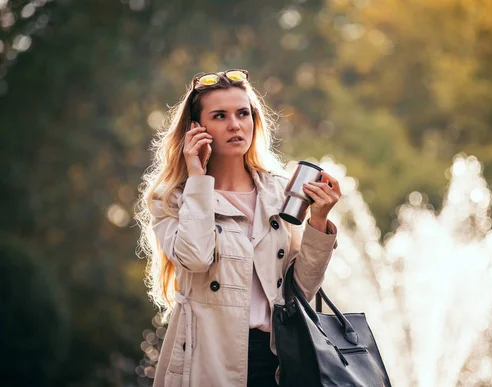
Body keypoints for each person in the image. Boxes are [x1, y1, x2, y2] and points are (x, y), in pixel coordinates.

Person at [136, 69, 342, 387]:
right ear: (196, 129)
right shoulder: (174, 199)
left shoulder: (280, 193)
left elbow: (301, 292)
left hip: (277, 361)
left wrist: (318, 221)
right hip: (207, 359)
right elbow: (196, 258)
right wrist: (197, 178)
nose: (235, 124)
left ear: (254, 120)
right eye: (220, 115)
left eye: (242, 113)